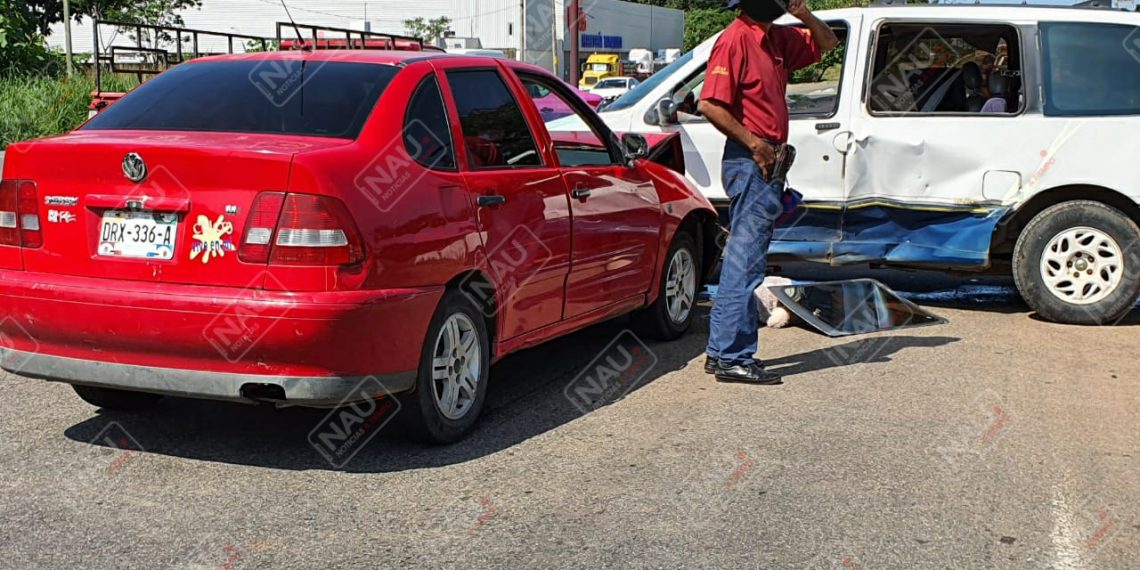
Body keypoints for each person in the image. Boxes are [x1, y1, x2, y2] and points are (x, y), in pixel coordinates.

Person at [699, 0, 838, 384]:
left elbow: (827, 43)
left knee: (741, 261)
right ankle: (733, 357)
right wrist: (755, 144)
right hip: (750, 160)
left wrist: (805, 14)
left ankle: (720, 351)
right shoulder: (736, 40)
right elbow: (709, 104)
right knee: (745, 264)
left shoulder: (776, 37)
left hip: (765, 160)